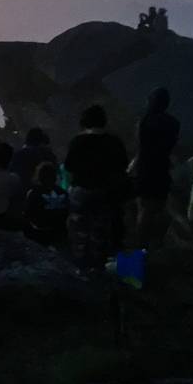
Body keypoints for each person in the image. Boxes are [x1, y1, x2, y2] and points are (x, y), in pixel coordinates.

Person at [63, 104, 129, 271]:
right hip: (106, 192)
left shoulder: (78, 141)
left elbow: (69, 166)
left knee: (79, 231)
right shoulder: (114, 142)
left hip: (82, 192)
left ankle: (81, 265)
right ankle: (100, 265)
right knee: (101, 230)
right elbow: (122, 166)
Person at [132, 87, 180, 249]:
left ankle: (140, 247)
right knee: (159, 208)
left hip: (145, 167)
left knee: (143, 209)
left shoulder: (144, 120)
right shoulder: (173, 123)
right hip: (161, 167)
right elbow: (171, 145)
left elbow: (141, 147)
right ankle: (156, 244)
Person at [23, 161, 69, 247]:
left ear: (39, 176)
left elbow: (28, 215)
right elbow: (66, 213)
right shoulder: (63, 193)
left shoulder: (34, 193)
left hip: (40, 235)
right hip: (60, 234)